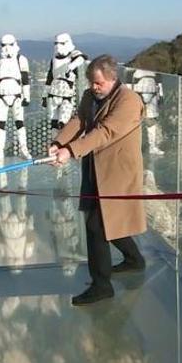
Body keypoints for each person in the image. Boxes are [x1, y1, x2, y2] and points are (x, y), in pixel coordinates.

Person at [49, 54, 147, 306]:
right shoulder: (90, 97)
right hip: (94, 167)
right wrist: (59, 142)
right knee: (106, 220)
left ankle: (101, 285)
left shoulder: (129, 101)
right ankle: (134, 260)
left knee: (97, 225)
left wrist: (70, 151)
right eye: (92, 82)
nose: (93, 87)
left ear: (113, 79)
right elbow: (79, 120)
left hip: (117, 172)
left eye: (98, 83)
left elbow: (106, 131)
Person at [0, 34, 32, 161]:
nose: (6, 48)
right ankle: (0, 150)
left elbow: (25, 79)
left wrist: (27, 96)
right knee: (1, 123)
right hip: (1, 95)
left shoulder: (21, 59)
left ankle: (24, 149)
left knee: (20, 122)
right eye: (4, 45)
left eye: (9, 45)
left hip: (16, 95)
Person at [43, 33, 87, 133]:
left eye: (61, 43)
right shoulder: (54, 59)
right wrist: (44, 95)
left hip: (67, 94)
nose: (58, 46)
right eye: (56, 43)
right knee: (53, 122)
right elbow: (49, 77)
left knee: (64, 119)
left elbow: (81, 58)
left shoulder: (73, 55)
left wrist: (71, 67)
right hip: (53, 93)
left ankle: (62, 139)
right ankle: (55, 142)